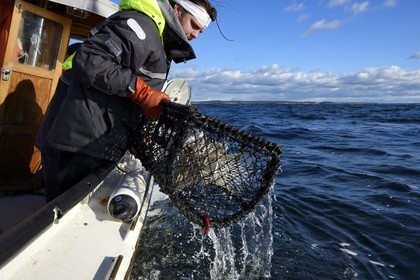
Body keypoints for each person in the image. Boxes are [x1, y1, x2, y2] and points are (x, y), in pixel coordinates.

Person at [35, 0, 217, 201]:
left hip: (93, 141)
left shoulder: (155, 37)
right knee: (61, 211)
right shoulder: (140, 27)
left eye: (201, 31)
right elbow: (91, 60)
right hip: (81, 142)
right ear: (177, 9)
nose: (195, 35)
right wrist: (142, 93)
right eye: (194, 25)